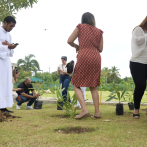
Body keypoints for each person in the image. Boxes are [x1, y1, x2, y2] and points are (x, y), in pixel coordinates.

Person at [67, 12, 103, 119]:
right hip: (96, 57)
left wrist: (77, 46)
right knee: (93, 85)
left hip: (84, 55)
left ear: (83, 19)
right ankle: (97, 112)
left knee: (76, 83)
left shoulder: (80, 27)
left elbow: (69, 40)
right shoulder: (99, 32)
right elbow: (100, 49)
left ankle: (84, 109)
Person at [0, 16, 18, 113]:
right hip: (0, 60)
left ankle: (4, 106)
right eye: (10, 26)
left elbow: (8, 48)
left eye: (13, 27)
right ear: (5, 22)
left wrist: (11, 47)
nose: (11, 29)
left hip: (6, 61)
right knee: (0, 83)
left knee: (6, 83)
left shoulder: (9, 35)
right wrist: (7, 46)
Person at [130, 16, 147, 119]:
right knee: (141, 85)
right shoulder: (138, 29)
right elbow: (138, 41)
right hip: (137, 62)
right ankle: (136, 109)